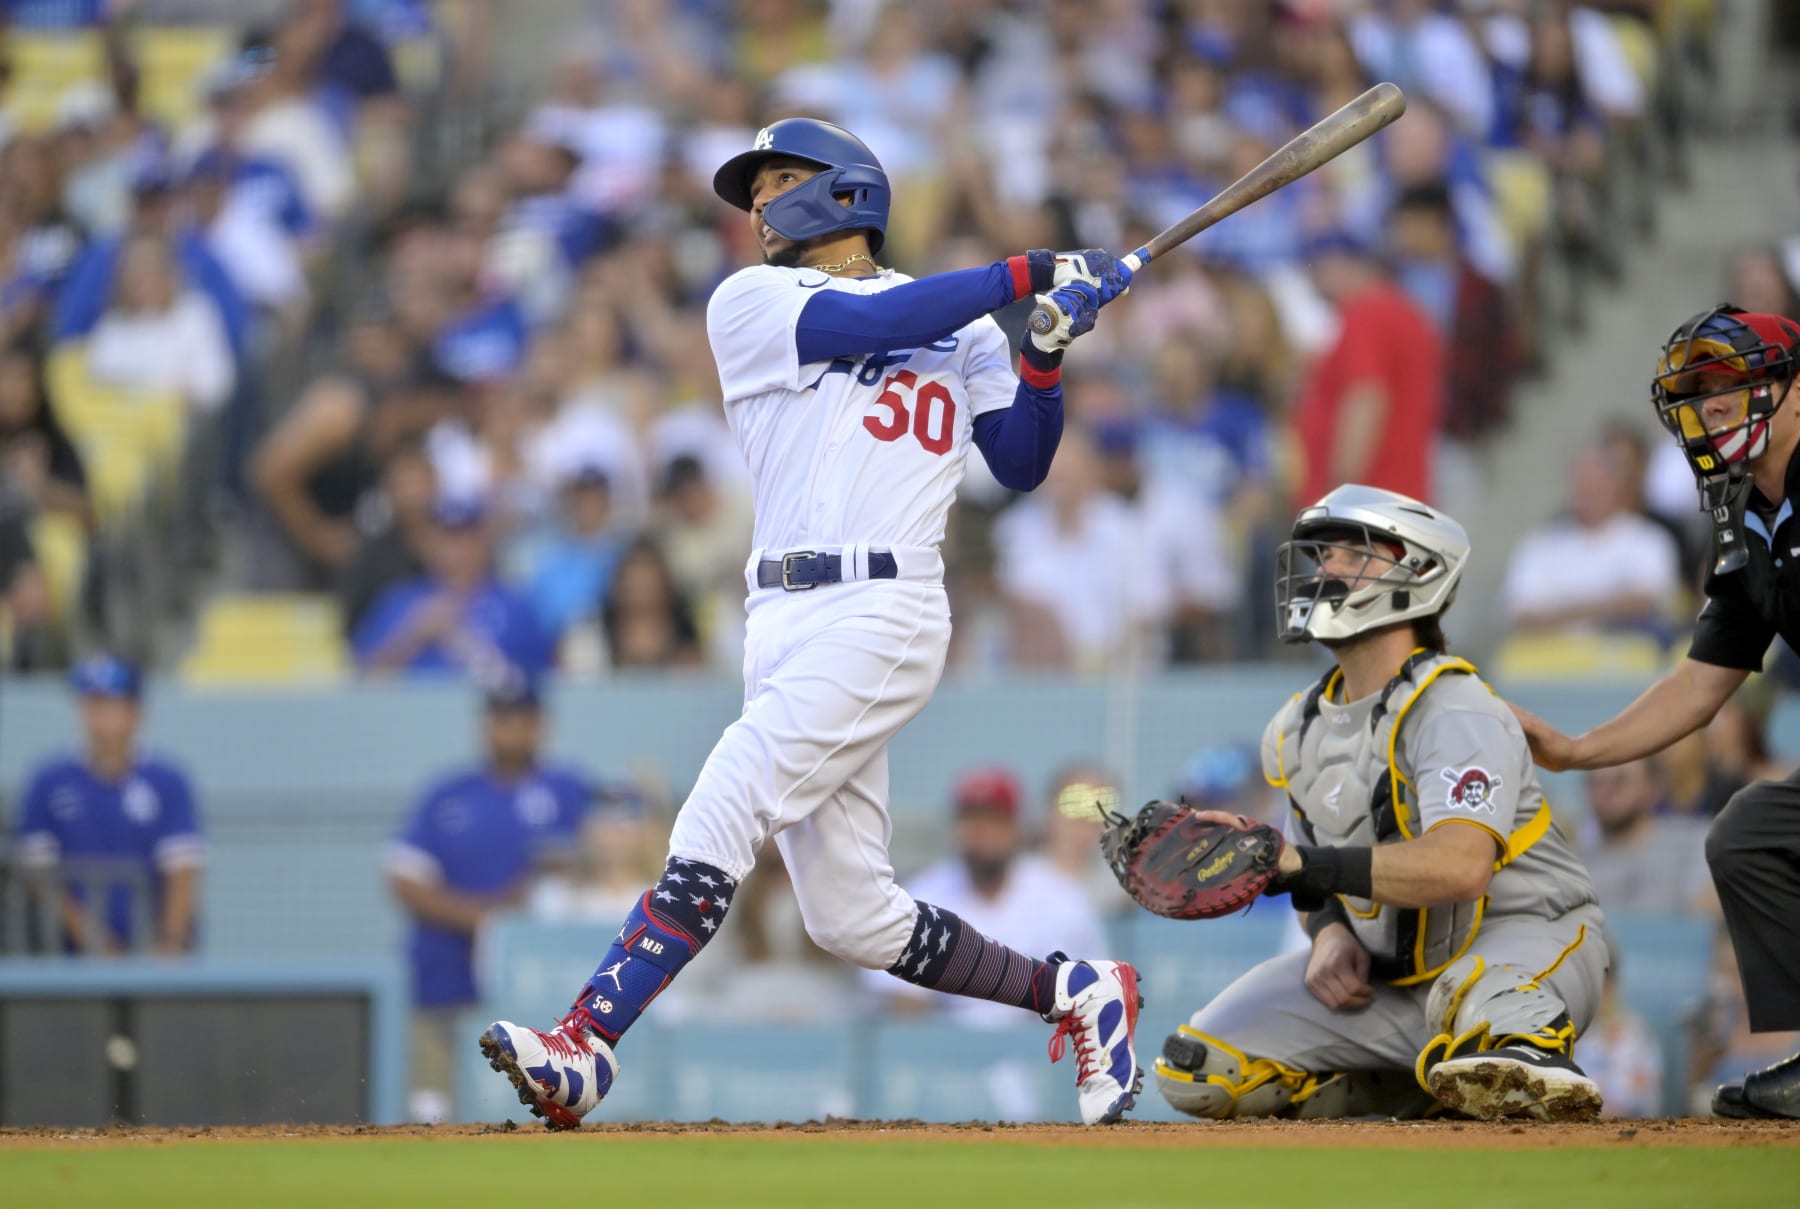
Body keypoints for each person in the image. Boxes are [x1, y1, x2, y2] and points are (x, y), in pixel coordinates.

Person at [480, 117, 1143, 1129]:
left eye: (776, 179)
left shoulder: (964, 330)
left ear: (846, 193)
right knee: (851, 916)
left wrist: (1044, 355)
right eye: (753, 188)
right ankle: (1076, 992)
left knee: (729, 794)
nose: (755, 203)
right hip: (780, 615)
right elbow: (863, 327)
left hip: (885, 605)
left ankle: (587, 1043)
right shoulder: (751, 299)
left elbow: (1017, 459)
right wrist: (1028, 273)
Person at [1154, 485, 1610, 1123]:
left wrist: (1302, 867)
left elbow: (1460, 867)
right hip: (1392, 980)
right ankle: (1422, 1092)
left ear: (1420, 574)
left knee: (1497, 1027)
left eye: (1354, 553)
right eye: (1325, 554)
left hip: (1527, 938)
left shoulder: (1454, 705)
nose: (1327, 569)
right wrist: (1329, 931)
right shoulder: (1292, 727)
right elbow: (1318, 882)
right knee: (1195, 1069)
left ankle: (1522, 1060)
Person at [1513, 306, 1800, 1120]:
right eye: (1700, 400)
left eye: (1731, 393)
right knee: (1749, 835)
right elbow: (1704, 681)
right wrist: (1576, 750)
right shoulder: (1745, 510)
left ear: (1794, 390)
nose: (1713, 414)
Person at [384, 677, 594, 1124]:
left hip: (536, 984)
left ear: (541, 725)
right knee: (434, 1107)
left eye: (523, 719)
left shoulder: (569, 791)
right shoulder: (448, 794)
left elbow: (606, 860)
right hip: (446, 974)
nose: (512, 730)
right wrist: (488, 919)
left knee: (532, 1108)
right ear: (485, 725)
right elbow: (404, 879)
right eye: (502, 719)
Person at [873, 767, 1110, 1027]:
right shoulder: (921, 896)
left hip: (1036, 1053)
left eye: (994, 820)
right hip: (945, 1056)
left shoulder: (1062, 897)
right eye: (972, 820)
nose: (982, 832)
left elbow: (1090, 993)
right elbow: (899, 1001)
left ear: (1016, 828)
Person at [12, 655, 203, 954]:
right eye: (90, 704)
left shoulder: (167, 781)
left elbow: (183, 868)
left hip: (153, 960)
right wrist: (94, 940)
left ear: (135, 712)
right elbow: (39, 876)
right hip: (67, 964)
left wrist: (171, 943)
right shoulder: (48, 780)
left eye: (107, 704)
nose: (96, 716)